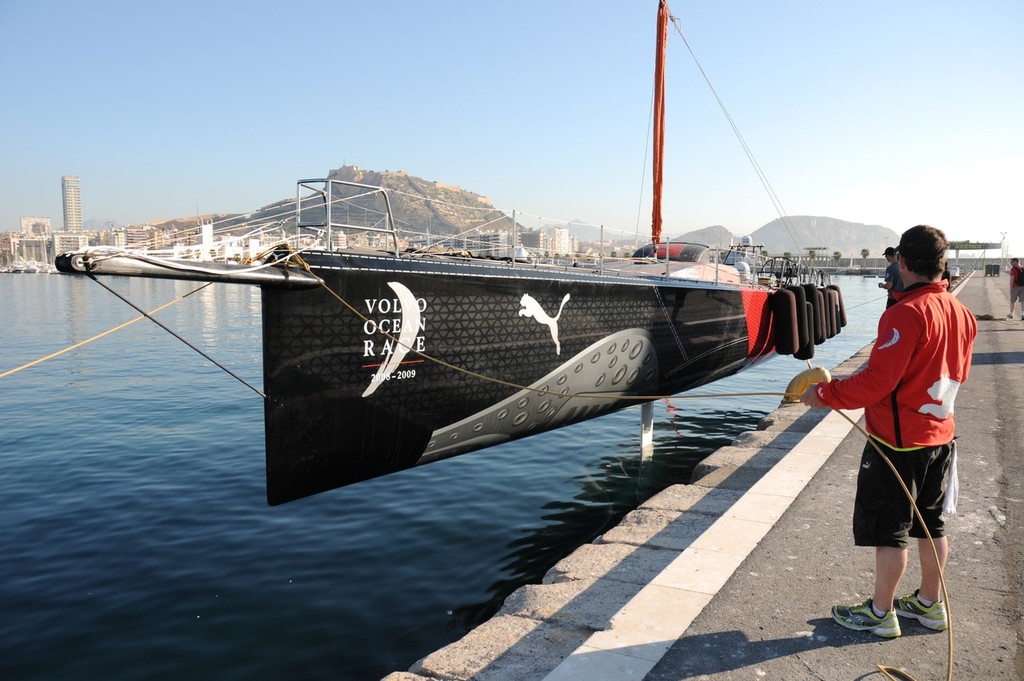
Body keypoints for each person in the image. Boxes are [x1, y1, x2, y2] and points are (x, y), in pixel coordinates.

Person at [801, 225, 977, 638]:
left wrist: (824, 393)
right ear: (942, 264)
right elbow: (960, 372)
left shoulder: (904, 314)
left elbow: (876, 383)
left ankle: (881, 613)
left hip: (897, 443)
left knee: (890, 529)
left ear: (902, 261)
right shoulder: (961, 312)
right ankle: (931, 605)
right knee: (931, 523)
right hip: (941, 437)